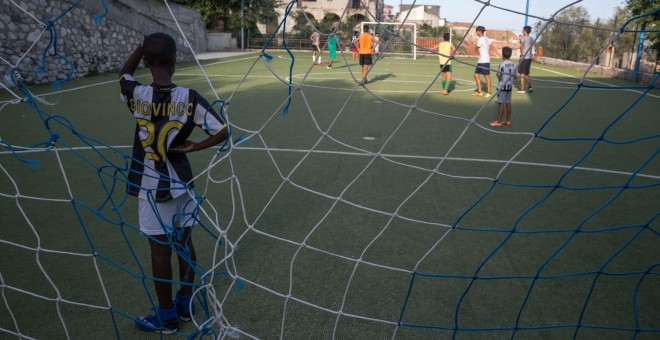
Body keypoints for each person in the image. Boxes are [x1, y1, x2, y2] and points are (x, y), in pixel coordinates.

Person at [119, 32, 228, 333]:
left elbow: (124, 74)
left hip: (151, 186)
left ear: (148, 61)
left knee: (159, 251)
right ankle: (184, 301)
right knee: (184, 242)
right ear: (173, 62)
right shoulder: (190, 98)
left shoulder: (136, 94)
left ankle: (166, 317)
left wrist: (142, 48)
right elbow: (222, 131)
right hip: (182, 183)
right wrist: (195, 147)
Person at [490, 46, 516, 127]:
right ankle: (508, 120)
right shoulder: (514, 65)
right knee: (508, 103)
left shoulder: (502, 64)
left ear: (502, 55)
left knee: (501, 103)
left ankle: (499, 121)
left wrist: (498, 76)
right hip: (509, 87)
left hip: (502, 87)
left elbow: (499, 75)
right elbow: (515, 77)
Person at [473, 26, 500, 98]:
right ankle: (479, 92)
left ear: (479, 32)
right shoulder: (487, 39)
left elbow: (476, 49)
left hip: (484, 61)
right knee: (476, 75)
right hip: (481, 60)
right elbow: (492, 47)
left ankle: (489, 92)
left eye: (476, 31)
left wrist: (475, 47)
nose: (476, 32)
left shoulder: (480, 39)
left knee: (486, 76)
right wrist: (498, 53)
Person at [517, 25, 534, 93]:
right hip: (529, 58)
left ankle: (522, 89)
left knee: (522, 74)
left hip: (524, 57)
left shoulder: (523, 38)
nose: (522, 31)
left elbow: (521, 46)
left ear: (525, 31)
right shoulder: (531, 38)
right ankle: (530, 87)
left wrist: (521, 54)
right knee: (527, 74)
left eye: (523, 30)